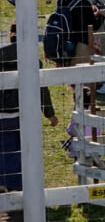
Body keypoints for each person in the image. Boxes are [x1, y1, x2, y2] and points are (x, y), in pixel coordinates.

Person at [0, 22, 58, 197]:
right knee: (27, 150)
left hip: (2, 114)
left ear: (11, 35)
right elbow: (42, 90)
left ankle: (4, 182)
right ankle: (20, 185)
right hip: (25, 112)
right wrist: (50, 114)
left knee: (5, 149)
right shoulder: (32, 57)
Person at [57, 0, 99, 66]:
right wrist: (100, 15)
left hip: (63, 43)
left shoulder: (60, 1)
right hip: (80, 44)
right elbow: (94, 26)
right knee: (83, 75)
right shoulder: (84, 3)